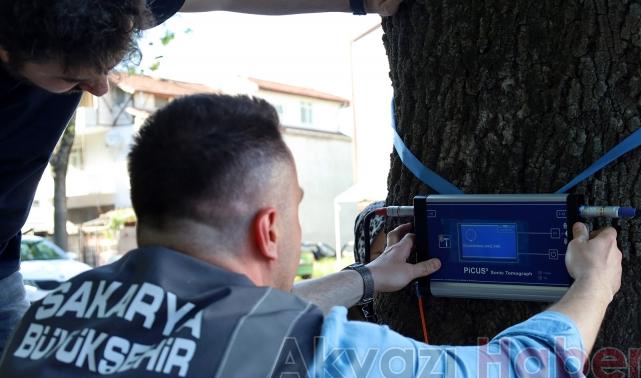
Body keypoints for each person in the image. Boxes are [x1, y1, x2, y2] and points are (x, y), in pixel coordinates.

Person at [0, 94, 622, 378]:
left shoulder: (45, 321)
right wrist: (592, 289)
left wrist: (366, 280)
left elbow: (212, 334)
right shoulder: (317, 363)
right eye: (296, 210)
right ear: (270, 229)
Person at [0, 0, 404, 354]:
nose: (100, 88)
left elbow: (236, 319)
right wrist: (368, 279)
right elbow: (240, 321)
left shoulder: (63, 326)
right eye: (73, 78)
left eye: (107, 64)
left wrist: (356, 0)